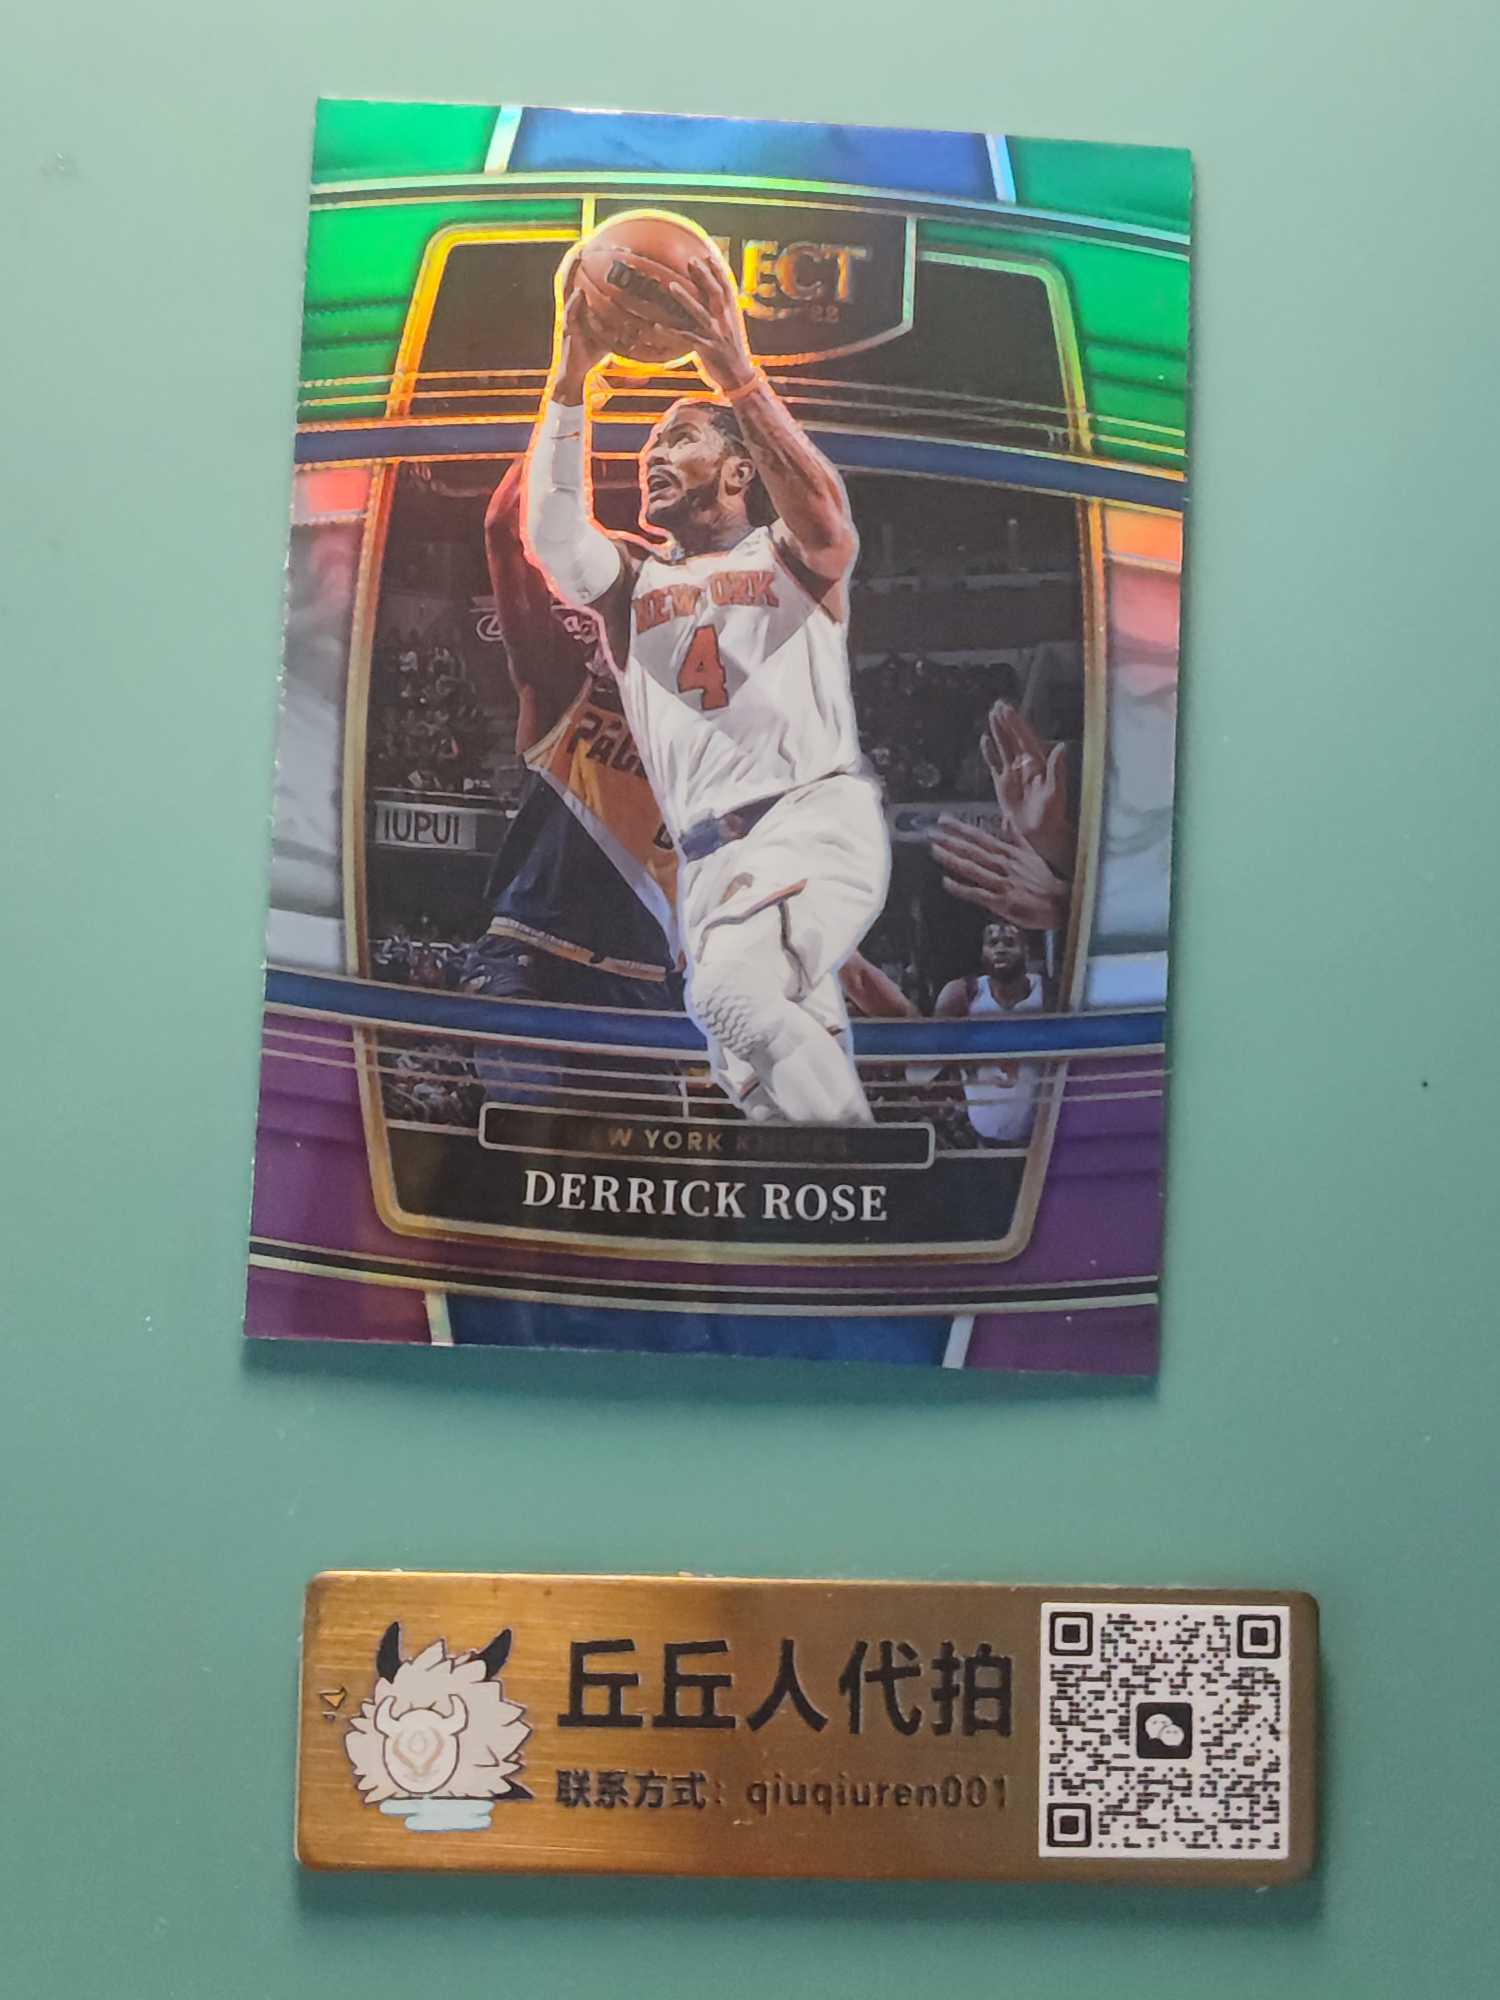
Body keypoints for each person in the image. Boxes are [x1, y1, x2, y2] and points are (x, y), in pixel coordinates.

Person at [523, 242, 889, 1126]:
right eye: (650, 442)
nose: (651, 454)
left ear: (737, 471)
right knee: (767, 1095)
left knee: (728, 996)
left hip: (805, 820)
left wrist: (735, 374)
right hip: (709, 862)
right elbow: (551, 537)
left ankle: (866, 1173)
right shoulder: (632, 583)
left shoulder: (786, 556)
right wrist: (569, 380)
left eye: (678, 438)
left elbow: (830, 523)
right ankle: (853, 1193)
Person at [459, 459, 679, 1031]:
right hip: (532, 954)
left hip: (643, 975)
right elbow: (502, 529)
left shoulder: (721, 730)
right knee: (525, 1081)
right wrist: (561, 423)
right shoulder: (567, 691)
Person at [931, 918, 1045, 1144]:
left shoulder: (1049, 992)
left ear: (1026, 950)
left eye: (1009, 942)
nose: (1000, 949)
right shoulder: (963, 993)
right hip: (982, 1137)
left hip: (1043, 1137)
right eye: (993, 943)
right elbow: (933, 1059)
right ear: (983, 951)